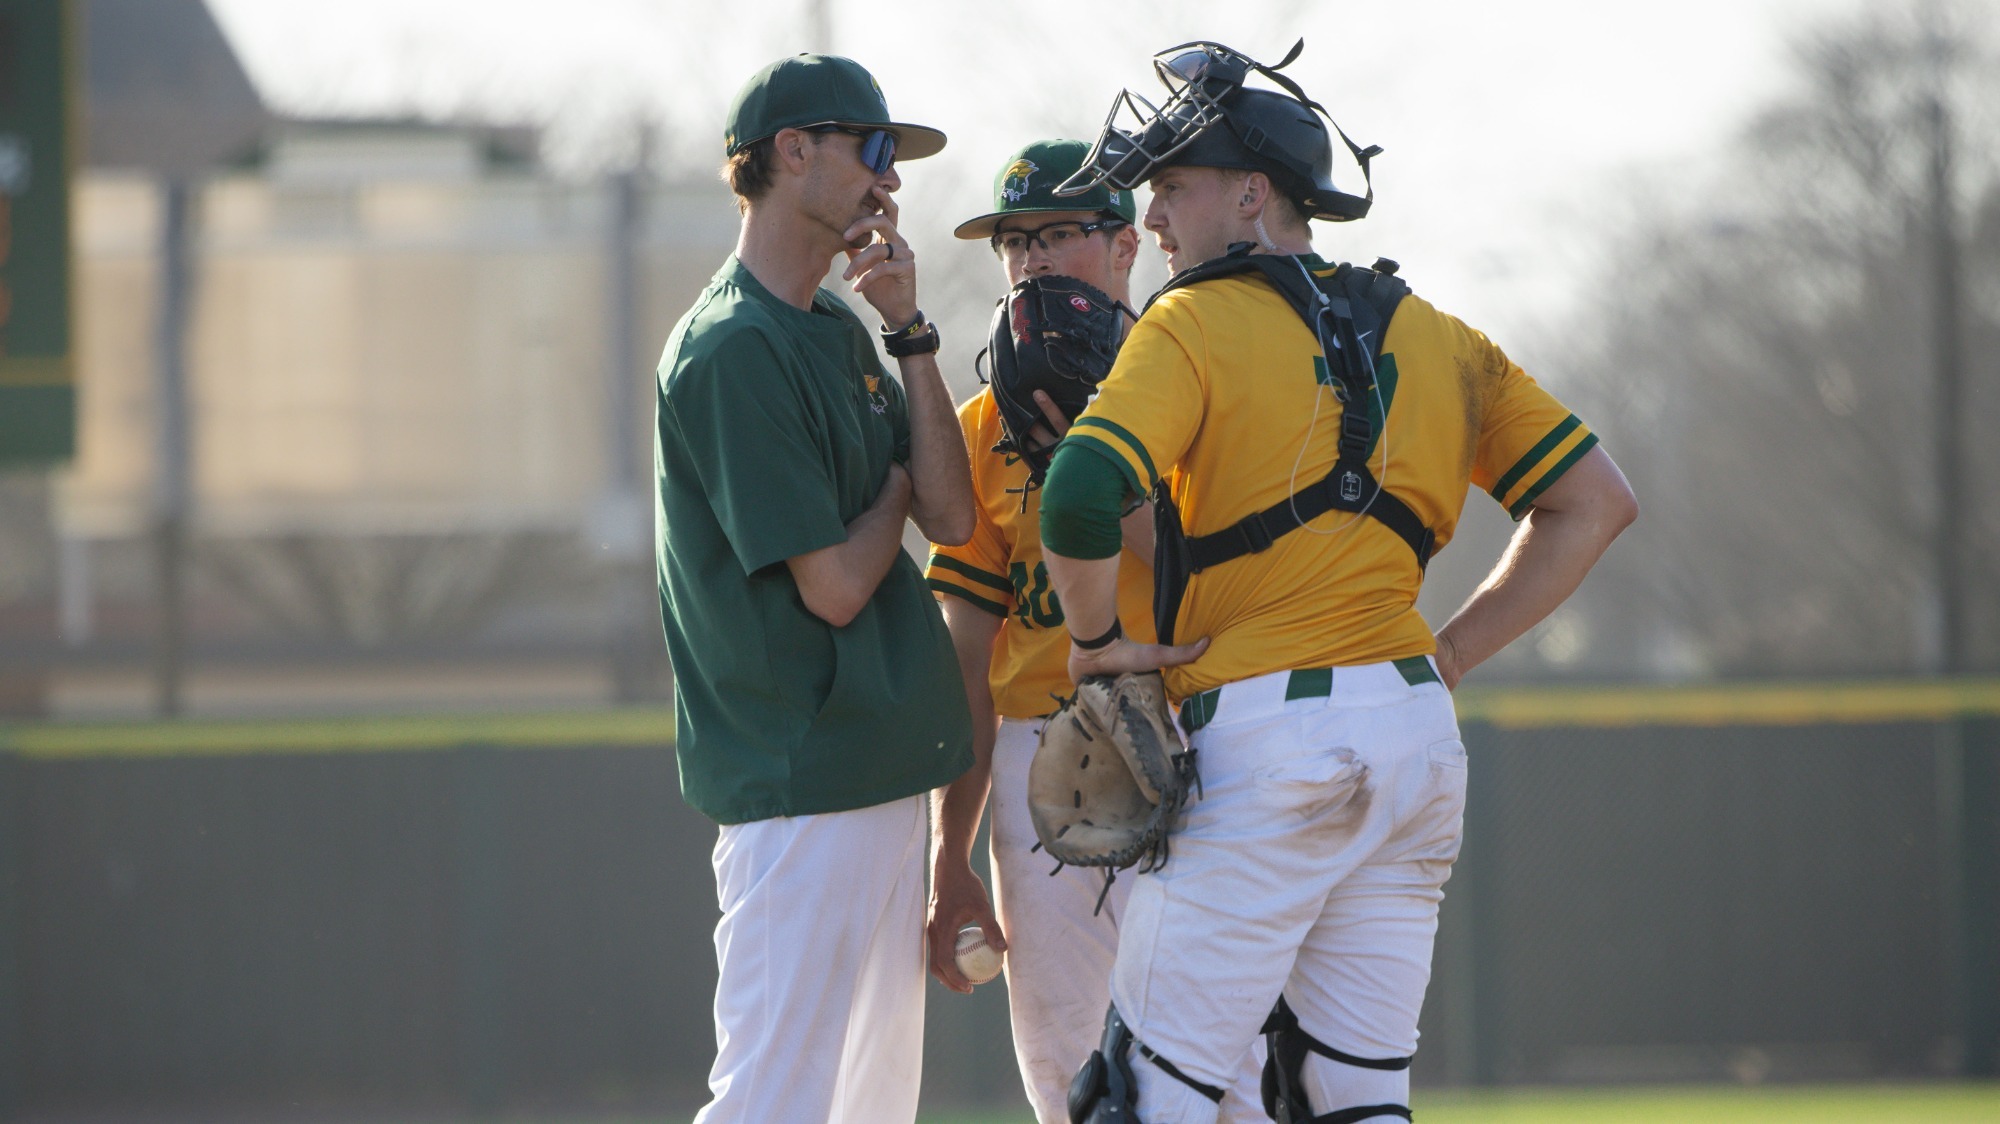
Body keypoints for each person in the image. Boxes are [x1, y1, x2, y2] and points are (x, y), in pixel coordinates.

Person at [1039, 43, 1639, 1124]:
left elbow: (1077, 490)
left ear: (1252, 193)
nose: (1156, 217)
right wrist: (1448, 653)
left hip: (1264, 743)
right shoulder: (1440, 335)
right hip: (1412, 737)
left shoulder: (1190, 319)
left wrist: (1093, 649)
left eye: (1172, 185)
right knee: (1350, 1099)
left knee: (1137, 1099)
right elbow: (1595, 502)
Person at [653, 52, 976, 1124]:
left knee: (867, 1109)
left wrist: (911, 329)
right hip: (799, 788)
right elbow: (837, 585)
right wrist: (889, 488)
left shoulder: (838, 326)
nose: (889, 181)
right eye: (872, 150)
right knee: (770, 1105)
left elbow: (954, 514)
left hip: (874, 770)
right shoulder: (730, 348)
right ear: (793, 152)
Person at [920, 140, 1267, 1124]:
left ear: (1125, 245)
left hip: (1208, 734)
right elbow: (965, 658)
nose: (1029, 259)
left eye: (1055, 235)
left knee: (1235, 1064)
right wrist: (949, 854)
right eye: (1012, 240)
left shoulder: (1198, 375)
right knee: (1072, 1069)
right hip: (1047, 758)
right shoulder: (982, 423)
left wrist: (1088, 464)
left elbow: (1235, 582)